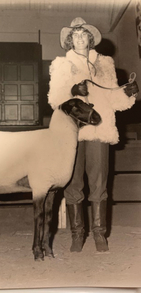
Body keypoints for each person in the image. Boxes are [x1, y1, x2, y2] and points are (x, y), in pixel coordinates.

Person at [47, 17, 139, 253]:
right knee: (73, 184)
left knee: (99, 183)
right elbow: (54, 100)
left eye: (83, 34)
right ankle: (78, 234)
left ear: (90, 38)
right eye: (75, 35)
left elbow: (115, 100)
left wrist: (129, 93)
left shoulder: (105, 63)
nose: (79, 38)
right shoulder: (61, 64)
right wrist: (72, 91)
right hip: (72, 133)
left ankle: (99, 234)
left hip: (99, 130)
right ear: (70, 40)